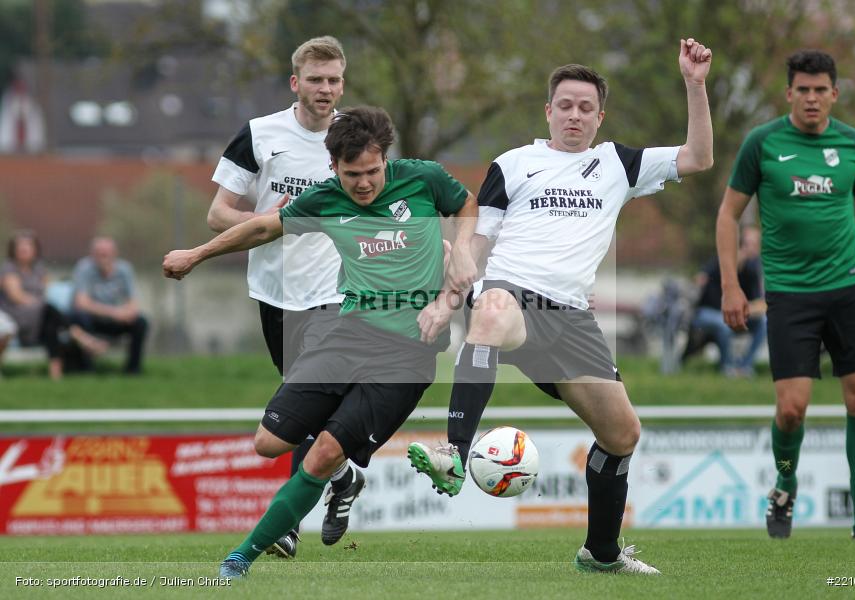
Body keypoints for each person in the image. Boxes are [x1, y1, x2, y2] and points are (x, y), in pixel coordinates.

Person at [408, 38, 714, 575]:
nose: (575, 115)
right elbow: (476, 247)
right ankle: (454, 452)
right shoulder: (514, 164)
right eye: (565, 106)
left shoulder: (618, 162)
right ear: (548, 111)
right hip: (513, 298)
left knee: (622, 434)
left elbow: (700, 157)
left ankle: (602, 553)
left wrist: (694, 84)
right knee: (493, 309)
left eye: (586, 108)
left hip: (571, 317)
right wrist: (446, 300)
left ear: (600, 116)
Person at [163, 106, 478, 579]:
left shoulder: (424, 179)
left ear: (386, 161)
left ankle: (239, 559)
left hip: (406, 356)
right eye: (353, 175)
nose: (365, 183)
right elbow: (263, 226)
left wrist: (459, 264)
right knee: (268, 443)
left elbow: (467, 205)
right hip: (346, 334)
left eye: (373, 171)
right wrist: (198, 253)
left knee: (322, 451)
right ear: (333, 168)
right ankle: (344, 477)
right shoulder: (326, 198)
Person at [717, 50, 855, 540]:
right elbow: (729, 214)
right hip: (790, 294)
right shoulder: (763, 143)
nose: (812, 98)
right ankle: (785, 482)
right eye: (804, 89)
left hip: (848, 288)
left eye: (821, 90)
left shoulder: (854, 145)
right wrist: (732, 285)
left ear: (834, 94)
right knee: (792, 408)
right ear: (789, 93)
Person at [207, 36, 351, 558]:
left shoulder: (355, 135)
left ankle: (287, 525)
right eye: (316, 80)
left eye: (334, 80)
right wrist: (265, 221)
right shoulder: (259, 135)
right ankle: (343, 476)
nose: (326, 89)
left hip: (338, 289)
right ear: (297, 82)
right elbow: (218, 213)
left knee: (313, 394)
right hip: (274, 291)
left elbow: (382, 198)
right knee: (301, 408)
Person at [0, 231, 107, 379]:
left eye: (28, 246)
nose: (24, 250)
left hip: (39, 315)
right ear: (13, 250)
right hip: (17, 315)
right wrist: (40, 303)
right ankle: (83, 339)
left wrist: (41, 303)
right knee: (49, 312)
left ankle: (55, 373)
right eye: (20, 247)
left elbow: (46, 291)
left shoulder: (39, 269)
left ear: (35, 249)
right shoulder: (9, 268)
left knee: (51, 324)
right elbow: (17, 297)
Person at [685, 226, 765, 376]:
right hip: (707, 311)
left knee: (763, 322)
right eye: (747, 245)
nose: (751, 250)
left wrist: (746, 309)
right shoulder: (720, 261)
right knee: (723, 323)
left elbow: (760, 303)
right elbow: (700, 278)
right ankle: (727, 368)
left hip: (735, 314)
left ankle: (744, 366)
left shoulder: (752, 269)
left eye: (755, 246)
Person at [70, 237, 149, 374]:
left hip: (115, 321)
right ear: (92, 254)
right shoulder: (84, 268)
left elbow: (133, 302)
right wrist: (114, 312)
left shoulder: (125, 270)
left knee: (141, 322)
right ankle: (86, 369)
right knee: (80, 317)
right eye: (99, 253)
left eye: (106, 253)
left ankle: (133, 370)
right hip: (92, 319)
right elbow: (81, 303)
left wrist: (127, 312)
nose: (103, 257)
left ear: (115, 253)